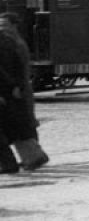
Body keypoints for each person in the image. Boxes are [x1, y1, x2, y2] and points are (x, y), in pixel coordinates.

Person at [0, 12, 47, 172]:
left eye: (5, 25)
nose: (2, 28)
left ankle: (29, 158)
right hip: (15, 89)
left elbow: (16, 68)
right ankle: (33, 156)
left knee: (20, 125)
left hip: (14, 90)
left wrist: (16, 86)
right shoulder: (11, 42)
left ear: (14, 26)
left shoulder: (13, 43)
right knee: (18, 125)